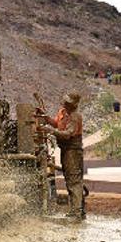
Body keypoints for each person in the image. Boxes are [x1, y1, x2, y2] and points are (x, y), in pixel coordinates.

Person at [39, 92, 85, 220]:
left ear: (73, 104)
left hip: (73, 151)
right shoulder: (63, 112)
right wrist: (46, 118)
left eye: (68, 103)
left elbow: (67, 134)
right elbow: (56, 123)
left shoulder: (75, 116)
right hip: (66, 149)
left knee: (74, 180)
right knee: (70, 179)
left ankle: (77, 212)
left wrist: (50, 131)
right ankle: (76, 210)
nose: (65, 104)